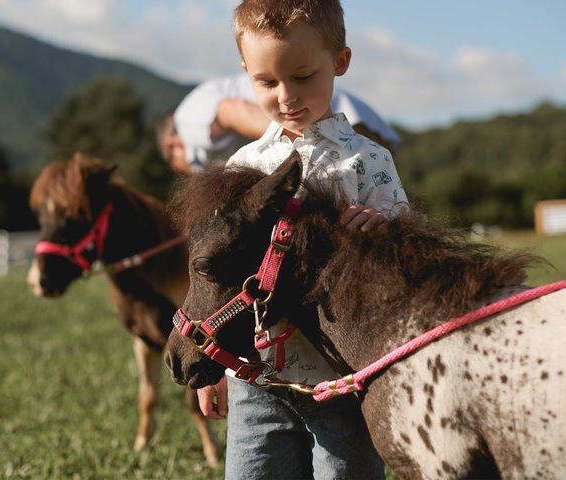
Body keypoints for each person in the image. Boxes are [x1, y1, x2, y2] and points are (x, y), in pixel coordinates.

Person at [197, 1, 409, 479]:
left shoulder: (367, 161)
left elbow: (407, 253)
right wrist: (215, 362)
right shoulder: (243, 167)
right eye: (267, 82)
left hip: (342, 376)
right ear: (246, 73)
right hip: (256, 377)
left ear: (340, 62)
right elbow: (222, 273)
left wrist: (380, 229)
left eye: (303, 76)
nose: (286, 96)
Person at [157, 73, 401, 175]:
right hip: (354, 126)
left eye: (178, 167)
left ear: (172, 144)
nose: (189, 173)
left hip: (340, 125)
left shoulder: (186, 117)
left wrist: (300, 140)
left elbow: (234, 112)